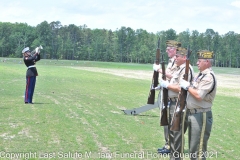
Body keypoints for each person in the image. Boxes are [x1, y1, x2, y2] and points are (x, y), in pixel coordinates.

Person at [180, 50, 217, 160]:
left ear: (207, 62)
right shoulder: (200, 75)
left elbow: (199, 95)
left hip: (201, 115)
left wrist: (187, 87)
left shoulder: (208, 77)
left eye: (199, 61)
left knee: (198, 149)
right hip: (193, 114)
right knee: (193, 147)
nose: (197, 63)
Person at [158, 47, 194, 159]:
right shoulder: (179, 68)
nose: (175, 58)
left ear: (184, 58)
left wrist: (167, 85)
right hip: (173, 103)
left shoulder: (186, 69)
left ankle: (176, 157)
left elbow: (181, 88)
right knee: (172, 133)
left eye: (177, 56)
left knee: (177, 134)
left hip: (179, 103)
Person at [153, 40, 181, 154]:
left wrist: (158, 69)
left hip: (173, 96)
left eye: (169, 49)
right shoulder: (171, 61)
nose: (167, 50)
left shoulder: (177, 63)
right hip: (167, 94)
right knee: (165, 121)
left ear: (175, 50)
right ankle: (167, 144)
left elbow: (171, 75)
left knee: (170, 122)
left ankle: (170, 146)